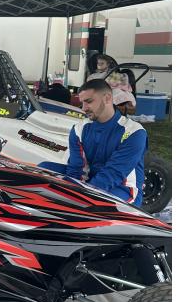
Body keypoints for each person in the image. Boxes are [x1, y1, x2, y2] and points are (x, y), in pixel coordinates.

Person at [63, 78, 147, 206]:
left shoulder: (134, 132)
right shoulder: (78, 129)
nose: (84, 108)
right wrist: (70, 192)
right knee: (44, 169)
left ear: (107, 98)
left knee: (91, 205)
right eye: (82, 103)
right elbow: (76, 169)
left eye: (88, 101)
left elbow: (113, 174)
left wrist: (79, 198)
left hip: (123, 188)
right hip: (90, 181)